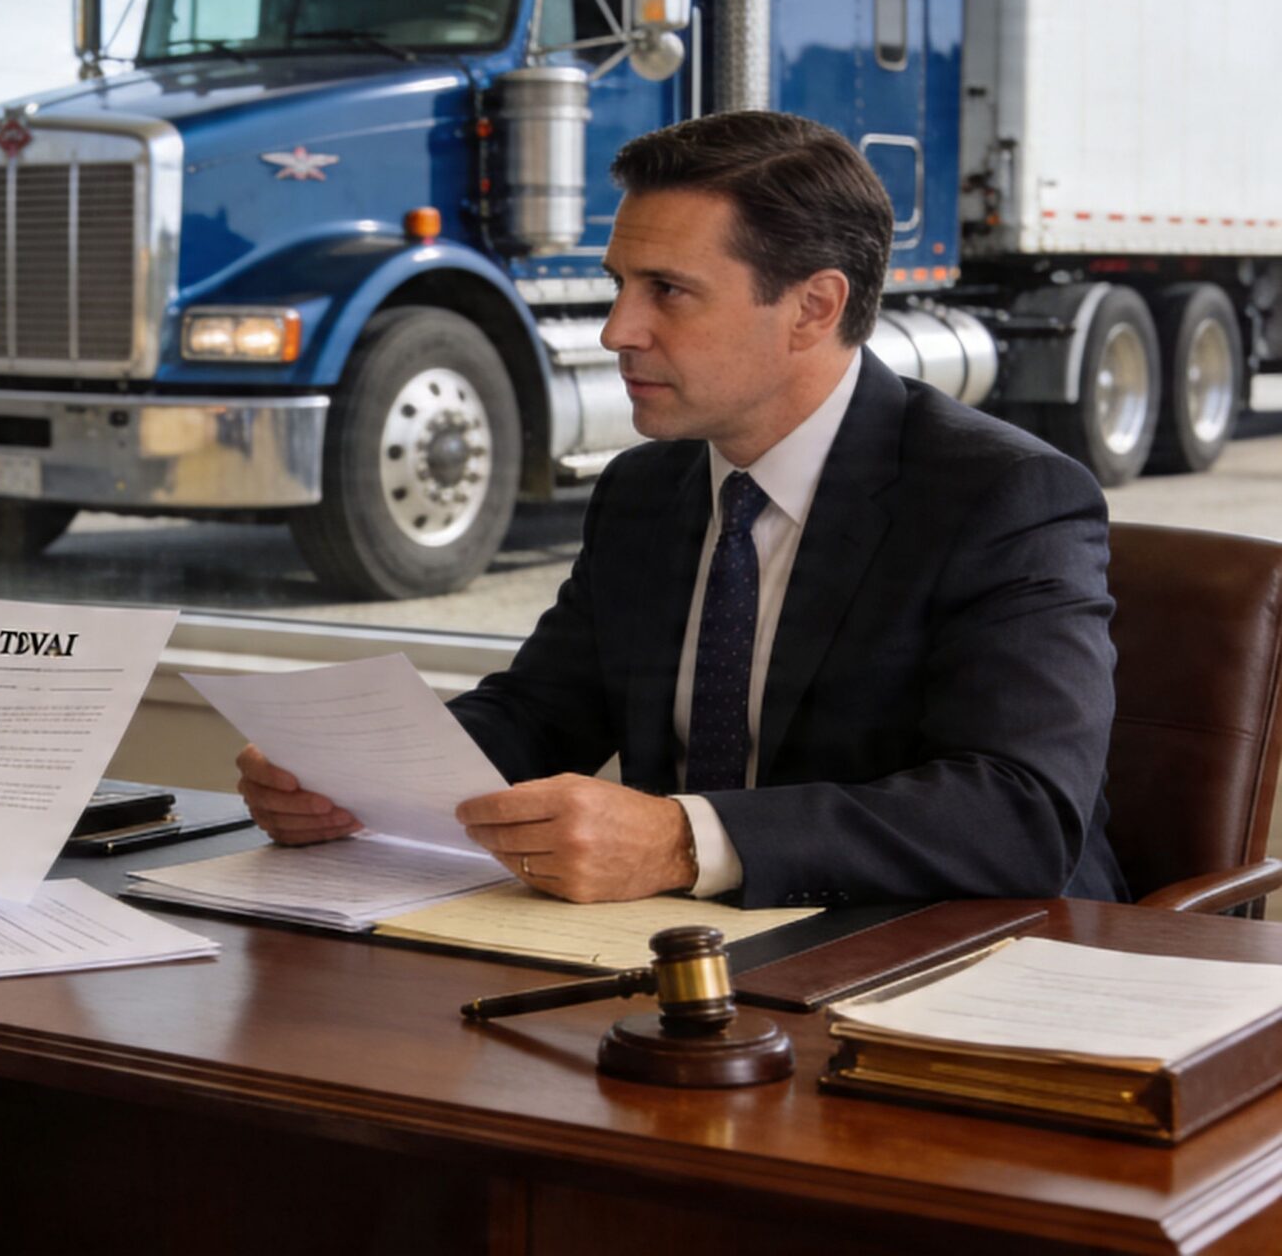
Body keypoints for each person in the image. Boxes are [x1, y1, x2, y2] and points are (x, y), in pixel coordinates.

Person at [238, 111, 1125, 909]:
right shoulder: (643, 489)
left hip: (946, 962)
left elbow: (1021, 813)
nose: (617, 329)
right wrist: (354, 778)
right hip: (683, 963)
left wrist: (680, 841)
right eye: (619, 282)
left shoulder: (1002, 497)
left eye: (667, 289)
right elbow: (541, 712)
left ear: (813, 308)